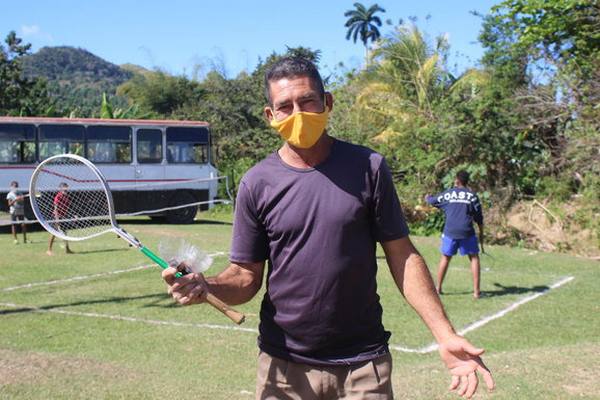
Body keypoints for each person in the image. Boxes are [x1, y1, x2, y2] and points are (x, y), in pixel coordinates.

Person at [162, 57, 494, 399]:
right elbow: (246, 278)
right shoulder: (256, 183)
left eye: (307, 101)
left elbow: (402, 256)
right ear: (270, 116)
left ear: (327, 103)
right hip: (284, 367)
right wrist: (207, 284)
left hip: (364, 367)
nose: (298, 114)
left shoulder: (369, 167)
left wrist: (445, 334)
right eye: (285, 106)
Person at [425, 171, 484, 299]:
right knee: (474, 258)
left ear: (457, 180)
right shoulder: (472, 196)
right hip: (467, 231)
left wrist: (427, 198)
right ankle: (476, 292)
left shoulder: (449, 193)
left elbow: (433, 201)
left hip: (450, 231)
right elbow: (479, 217)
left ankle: (438, 288)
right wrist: (481, 232)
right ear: (467, 181)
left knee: (445, 257)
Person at [47, 182, 73, 256]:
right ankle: (49, 250)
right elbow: (55, 209)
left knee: (65, 233)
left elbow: (67, 208)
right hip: (56, 217)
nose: (66, 189)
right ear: (60, 188)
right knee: (53, 233)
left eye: (66, 188)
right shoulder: (57, 197)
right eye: (64, 188)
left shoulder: (67, 197)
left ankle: (67, 249)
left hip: (63, 217)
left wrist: (72, 215)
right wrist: (57, 219)